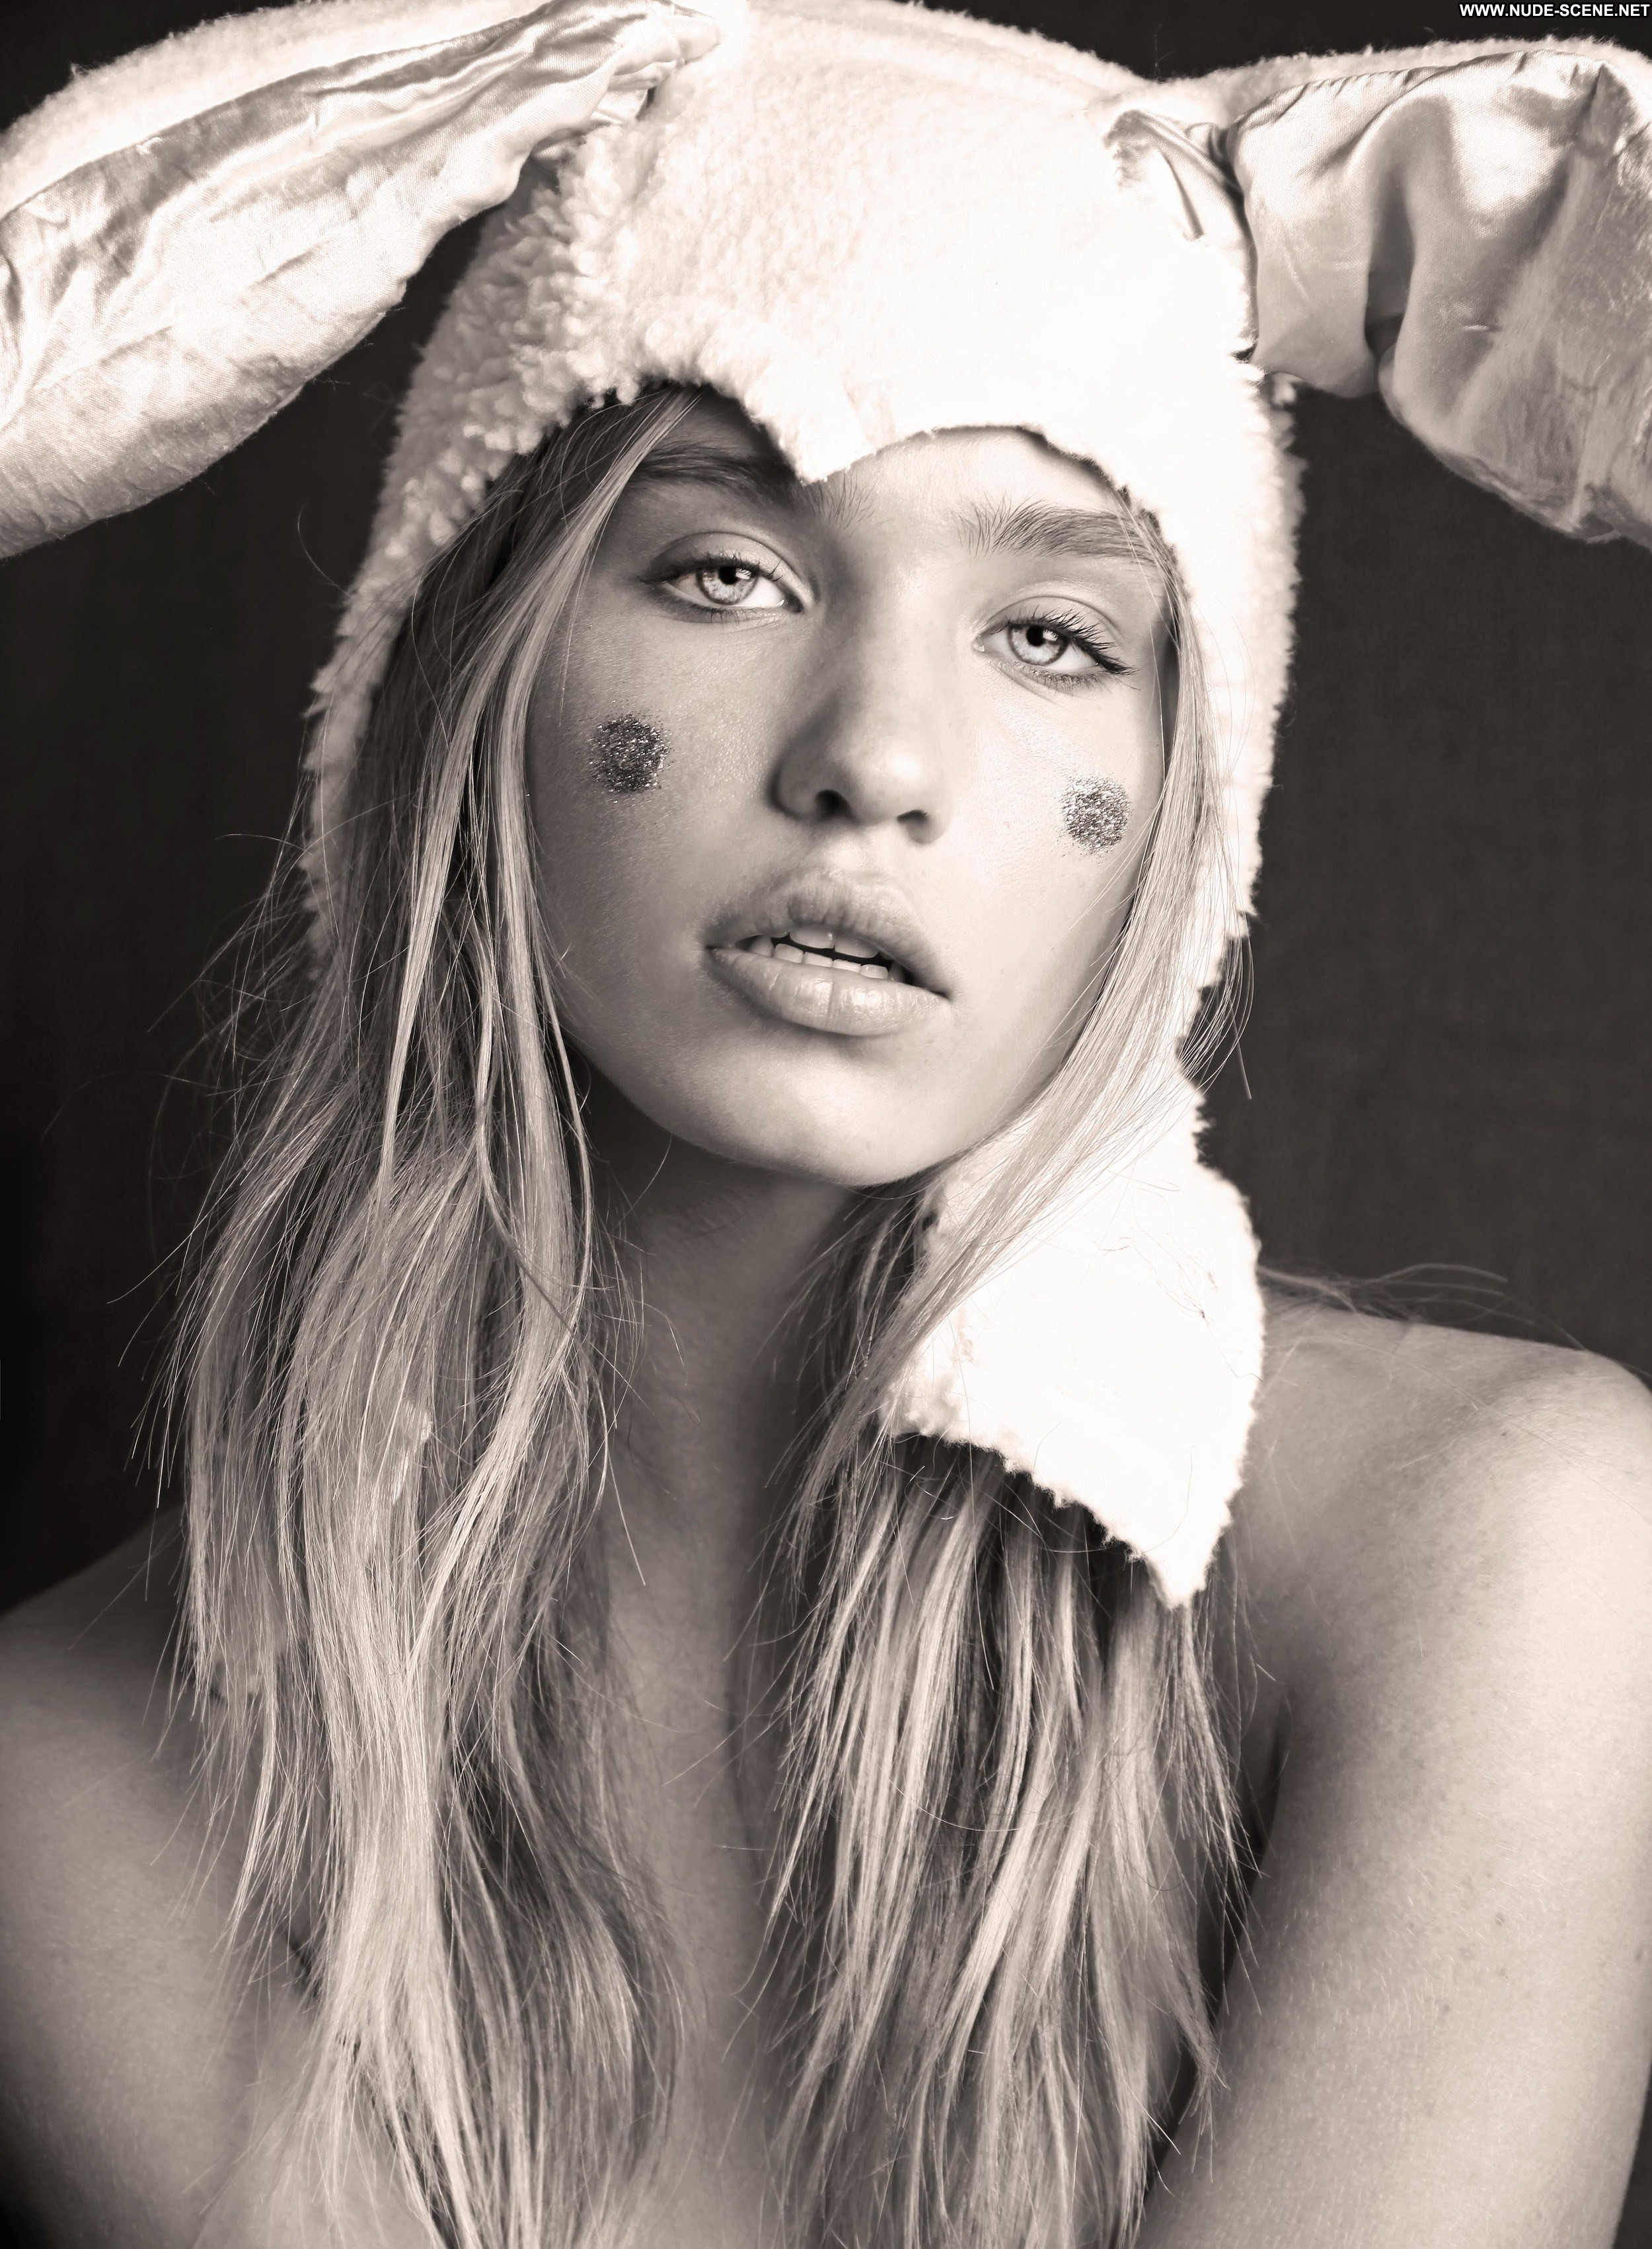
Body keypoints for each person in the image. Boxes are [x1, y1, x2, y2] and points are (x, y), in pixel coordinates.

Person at [1, 2, 1649, 2244]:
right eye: (725, 573)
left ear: (1179, 809)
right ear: (457, 681)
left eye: (1050, 635)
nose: (875, 755)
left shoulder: (1503, 1549)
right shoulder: (80, 1767)